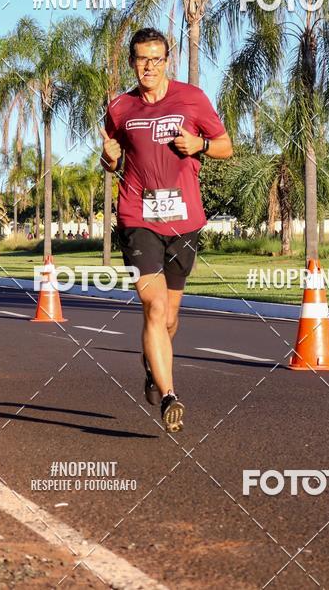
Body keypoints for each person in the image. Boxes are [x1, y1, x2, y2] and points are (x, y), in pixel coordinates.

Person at [100, 28, 233, 433]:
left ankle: (152, 367)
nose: (149, 67)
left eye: (156, 58)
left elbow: (226, 145)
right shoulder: (120, 107)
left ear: (167, 61)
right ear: (132, 62)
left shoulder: (192, 98)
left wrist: (200, 146)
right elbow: (111, 158)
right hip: (137, 218)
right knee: (154, 307)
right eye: (142, 59)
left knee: (171, 318)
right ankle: (171, 395)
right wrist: (108, 158)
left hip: (183, 220)